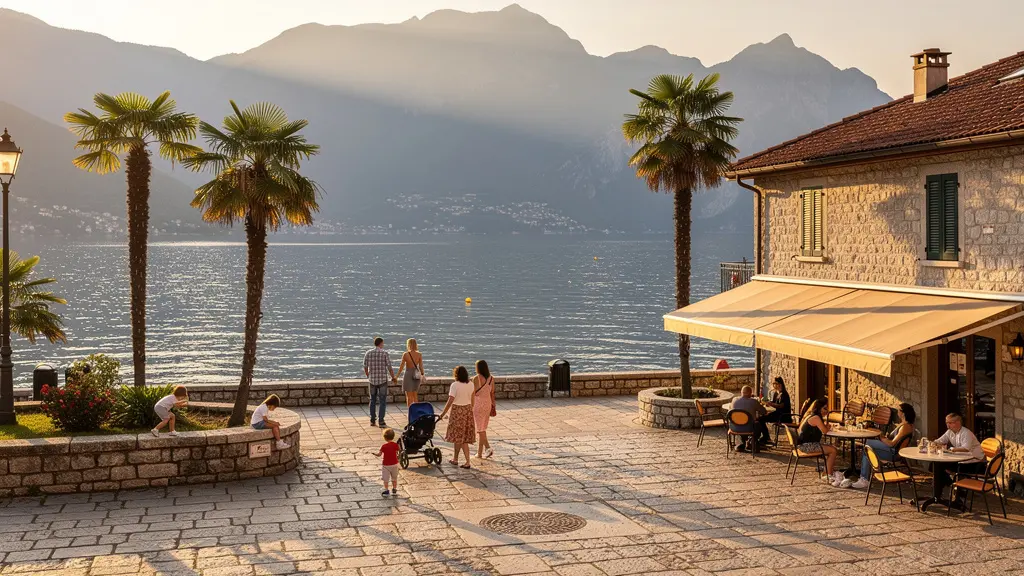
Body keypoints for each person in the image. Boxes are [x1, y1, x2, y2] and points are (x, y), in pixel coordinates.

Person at [848, 403, 916, 489]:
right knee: (867, 450)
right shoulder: (902, 424)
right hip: (890, 450)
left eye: (898, 410)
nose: (897, 412)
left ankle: (865, 478)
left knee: (868, 444)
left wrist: (881, 437)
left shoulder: (905, 427)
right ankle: (864, 478)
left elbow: (892, 444)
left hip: (893, 453)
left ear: (903, 413)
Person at [933, 412, 986, 501]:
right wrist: (932, 443)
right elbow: (939, 441)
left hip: (975, 463)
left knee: (938, 466)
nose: (947, 425)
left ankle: (941, 494)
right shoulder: (950, 432)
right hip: (962, 461)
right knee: (935, 465)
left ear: (957, 422)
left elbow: (966, 448)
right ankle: (952, 487)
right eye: (946, 423)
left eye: (950, 423)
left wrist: (952, 449)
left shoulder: (966, 433)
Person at [797, 398, 841, 486]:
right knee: (833, 451)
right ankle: (827, 474)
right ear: (818, 408)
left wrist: (826, 426)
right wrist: (827, 427)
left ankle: (827, 471)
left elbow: (823, 429)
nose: (827, 411)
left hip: (805, 444)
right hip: (806, 446)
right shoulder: (816, 418)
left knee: (831, 448)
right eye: (825, 408)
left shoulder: (811, 415)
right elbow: (825, 431)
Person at [439, 365, 476, 469]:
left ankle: (461, 460)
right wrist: (470, 410)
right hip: (467, 410)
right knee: (462, 438)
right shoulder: (471, 384)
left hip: (457, 411)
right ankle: (461, 460)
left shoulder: (454, 385)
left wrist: (443, 413)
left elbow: (450, 400)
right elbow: (473, 399)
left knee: (459, 438)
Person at [363, 336, 397, 428]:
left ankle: (372, 420)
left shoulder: (368, 353)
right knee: (382, 401)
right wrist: (393, 377)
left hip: (372, 380)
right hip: (382, 380)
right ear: (381, 343)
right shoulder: (384, 353)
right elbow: (389, 367)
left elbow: (365, 366)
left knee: (372, 400)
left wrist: (368, 375)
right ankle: (381, 421)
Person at [758, 377, 793, 445]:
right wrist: (767, 403)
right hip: (777, 414)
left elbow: (781, 405)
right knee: (761, 417)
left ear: (779, 384)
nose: (773, 385)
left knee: (761, 419)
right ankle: (765, 437)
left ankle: (766, 437)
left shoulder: (784, 394)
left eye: (775, 383)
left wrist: (770, 404)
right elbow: (773, 403)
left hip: (783, 416)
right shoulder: (776, 393)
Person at [472, 360, 496, 459]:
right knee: (482, 427)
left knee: (480, 429)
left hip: (478, 404)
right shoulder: (491, 379)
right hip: (488, 404)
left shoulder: (476, 378)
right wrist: (493, 406)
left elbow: (473, 393)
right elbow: (492, 393)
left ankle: (480, 453)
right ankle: (487, 448)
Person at [730, 385, 766, 452]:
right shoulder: (753, 402)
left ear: (741, 392)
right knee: (758, 424)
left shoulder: (734, 400)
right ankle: (751, 442)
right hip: (748, 428)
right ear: (750, 393)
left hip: (735, 427)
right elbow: (764, 412)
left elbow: (730, 410)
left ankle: (742, 443)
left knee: (742, 421)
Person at [396, 338, 425, 407]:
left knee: (409, 397)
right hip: (416, 375)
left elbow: (401, 367)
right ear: (416, 345)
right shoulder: (419, 354)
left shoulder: (405, 354)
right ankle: (417, 412)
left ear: (408, 344)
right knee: (415, 396)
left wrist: (396, 376)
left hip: (408, 374)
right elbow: (421, 367)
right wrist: (422, 375)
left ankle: (410, 412)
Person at [374, 428, 400, 498]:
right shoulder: (395, 445)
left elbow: (379, 454)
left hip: (386, 465)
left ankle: (386, 490)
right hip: (394, 464)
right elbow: (399, 451)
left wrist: (375, 454)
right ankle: (394, 490)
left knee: (386, 479)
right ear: (393, 436)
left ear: (385, 438)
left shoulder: (384, 446)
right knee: (394, 478)